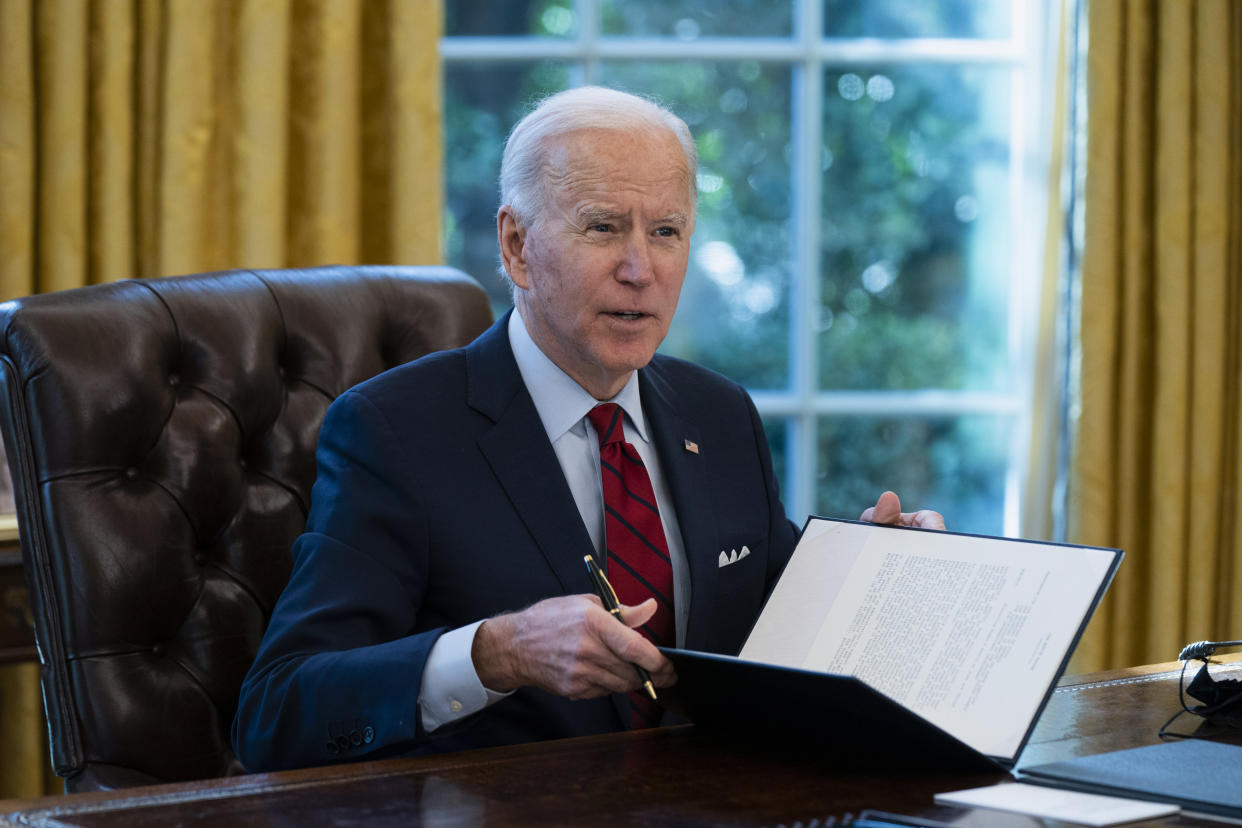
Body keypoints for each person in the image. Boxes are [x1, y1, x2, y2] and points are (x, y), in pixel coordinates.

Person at [232, 86, 943, 772]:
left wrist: (872, 575)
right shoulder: (394, 431)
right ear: (516, 246)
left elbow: (767, 635)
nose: (640, 269)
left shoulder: (719, 413)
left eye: (666, 232)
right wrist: (493, 654)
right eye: (602, 227)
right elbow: (275, 714)